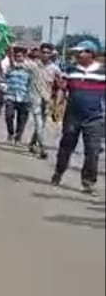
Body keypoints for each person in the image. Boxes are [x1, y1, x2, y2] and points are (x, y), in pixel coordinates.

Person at [51, 41, 105, 195]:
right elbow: (62, 89)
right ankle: (59, 171)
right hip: (72, 116)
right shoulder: (70, 70)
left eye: (80, 52)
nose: (77, 55)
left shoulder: (102, 72)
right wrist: (57, 106)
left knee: (93, 150)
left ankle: (88, 182)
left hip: (95, 117)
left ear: (90, 53)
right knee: (66, 147)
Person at [21, 43, 60, 159]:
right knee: (39, 123)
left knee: (41, 125)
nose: (45, 54)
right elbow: (17, 64)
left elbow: (60, 84)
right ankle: (42, 148)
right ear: (39, 53)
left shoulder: (55, 69)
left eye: (48, 52)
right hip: (35, 98)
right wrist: (11, 53)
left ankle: (32, 143)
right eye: (43, 52)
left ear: (51, 54)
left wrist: (57, 100)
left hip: (46, 100)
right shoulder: (33, 65)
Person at [1, 47, 33, 145]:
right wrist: (3, 88)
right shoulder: (9, 68)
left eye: (19, 56)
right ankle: (10, 133)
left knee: (22, 119)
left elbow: (32, 84)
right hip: (11, 96)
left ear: (24, 57)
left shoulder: (29, 69)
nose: (17, 58)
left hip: (24, 97)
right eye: (16, 56)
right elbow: (3, 79)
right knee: (8, 115)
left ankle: (18, 137)